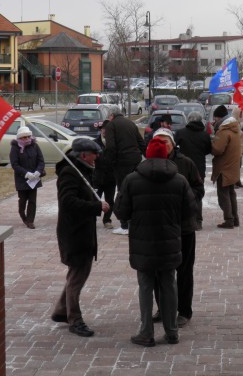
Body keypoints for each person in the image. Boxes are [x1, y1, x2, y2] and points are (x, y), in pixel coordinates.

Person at [114, 136, 197, 347]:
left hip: (143, 242)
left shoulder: (132, 180)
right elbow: (190, 210)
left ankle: (146, 332)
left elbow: (121, 211)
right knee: (169, 284)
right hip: (170, 241)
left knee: (145, 286)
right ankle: (172, 332)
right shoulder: (179, 180)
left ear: (147, 154)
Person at [52, 139, 110, 337]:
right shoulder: (70, 173)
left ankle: (61, 310)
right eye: (95, 153)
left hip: (82, 232)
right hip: (74, 234)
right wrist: (96, 207)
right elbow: (68, 202)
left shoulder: (82, 170)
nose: (98, 157)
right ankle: (75, 320)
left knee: (75, 274)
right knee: (77, 276)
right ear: (84, 155)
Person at [150, 128, 203, 328]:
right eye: (158, 142)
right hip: (159, 228)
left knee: (184, 270)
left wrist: (183, 201)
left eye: (166, 142)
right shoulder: (148, 165)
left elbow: (199, 188)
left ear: (173, 144)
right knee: (158, 271)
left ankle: (184, 310)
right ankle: (163, 307)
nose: (162, 145)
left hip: (183, 227)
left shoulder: (186, 163)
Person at [105, 105, 146, 235]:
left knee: (122, 191)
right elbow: (141, 142)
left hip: (121, 163)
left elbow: (110, 146)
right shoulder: (131, 123)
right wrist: (148, 157)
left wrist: (111, 162)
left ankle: (124, 224)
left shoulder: (111, 126)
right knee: (134, 189)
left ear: (111, 115)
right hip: (135, 160)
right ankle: (135, 220)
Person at [174, 111, 212, 230]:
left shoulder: (180, 133)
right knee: (197, 193)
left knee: (181, 193)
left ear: (188, 120)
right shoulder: (205, 135)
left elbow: (175, 148)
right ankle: (197, 220)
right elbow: (208, 150)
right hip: (199, 167)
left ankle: (182, 219)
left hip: (182, 167)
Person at [211, 104, 242, 228]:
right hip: (232, 167)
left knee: (223, 195)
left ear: (219, 118)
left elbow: (217, 149)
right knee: (231, 193)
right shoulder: (235, 129)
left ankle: (228, 219)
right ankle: (235, 218)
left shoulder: (224, 131)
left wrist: (212, 141)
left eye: (215, 118)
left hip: (224, 168)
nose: (214, 121)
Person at [9, 126, 46, 229]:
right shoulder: (15, 148)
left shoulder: (35, 146)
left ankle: (30, 221)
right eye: (24, 137)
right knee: (23, 200)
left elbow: (41, 160)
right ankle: (23, 215)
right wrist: (26, 173)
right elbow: (14, 164)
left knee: (32, 200)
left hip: (34, 179)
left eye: (28, 137)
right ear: (20, 138)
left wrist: (38, 171)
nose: (27, 139)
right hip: (22, 179)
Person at [93, 120, 117, 229]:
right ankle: (92, 218)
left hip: (111, 176)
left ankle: (107, 220)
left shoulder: (114, 143)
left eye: (106, 129)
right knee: (94, 198)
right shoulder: (95, 143)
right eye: (103, 129)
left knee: (110, 199)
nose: (104, 131)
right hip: (98, 176)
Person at [232, 107, 243, 188]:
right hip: (235, 148)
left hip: (239, 147)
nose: (242, 115)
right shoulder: (233, 122)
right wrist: (241, 132)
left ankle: (237, 180)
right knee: (234, 166)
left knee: (239, 165)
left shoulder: (238, 122)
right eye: (240, 113)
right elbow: (235, 134)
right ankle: (233, 182)